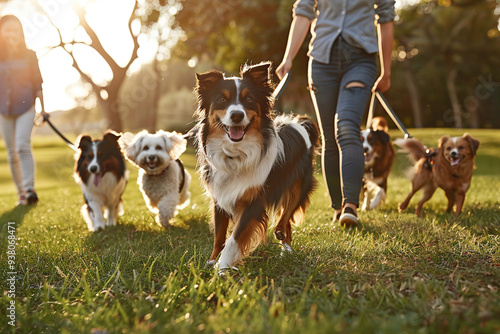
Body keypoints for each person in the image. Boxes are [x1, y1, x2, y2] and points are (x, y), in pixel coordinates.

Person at [276, 0, 395, 227]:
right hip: (322, 61)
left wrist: (386, 71)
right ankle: (338, 207)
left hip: (360, 60)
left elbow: (386, 17)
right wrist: (288, 57)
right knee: (329, 137)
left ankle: (351, 205)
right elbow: (303, 12)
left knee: (347, 127)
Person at [0, 15, 46, 205]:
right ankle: (21, 193)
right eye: (8, 29)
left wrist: (43, 109)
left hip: (26, 106)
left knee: (22, 145)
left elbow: (38, 83)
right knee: (11, 152)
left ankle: (29, 189)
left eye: (17, 30)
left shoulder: (30, 55)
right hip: (3, 109)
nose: (13, 33)